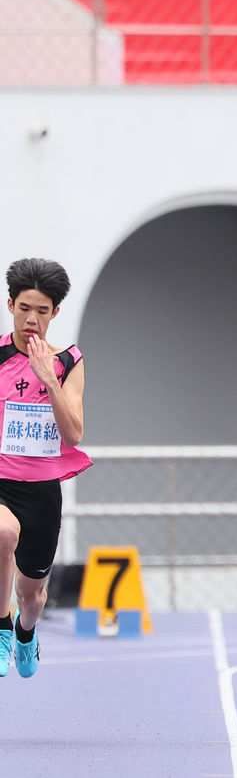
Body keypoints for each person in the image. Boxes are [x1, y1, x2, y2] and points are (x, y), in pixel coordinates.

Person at [0, 258, 91, 679]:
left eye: (41, 311)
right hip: (2, 481)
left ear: (55, 312)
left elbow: (74, 434)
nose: (31, 320)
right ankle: (2, 628)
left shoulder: (69, 361)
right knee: (3, 534)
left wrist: (48, 379)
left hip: (41, 491)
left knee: (31, 595)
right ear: (10, 305)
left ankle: (25, 631)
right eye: (24, 309)